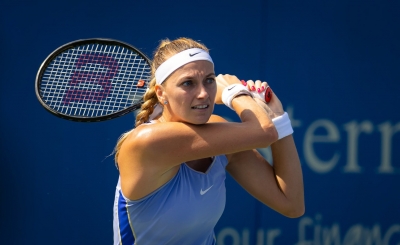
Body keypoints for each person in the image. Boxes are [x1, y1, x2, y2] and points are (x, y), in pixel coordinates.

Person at [112, 37, 304, 245]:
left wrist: (277, 116)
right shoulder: (147, 141)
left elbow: (291, 204)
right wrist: (235, 93)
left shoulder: (218, 133)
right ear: (161, 93)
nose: (204, 94)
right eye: (188, 83)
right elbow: (264, 133)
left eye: (209, 80)